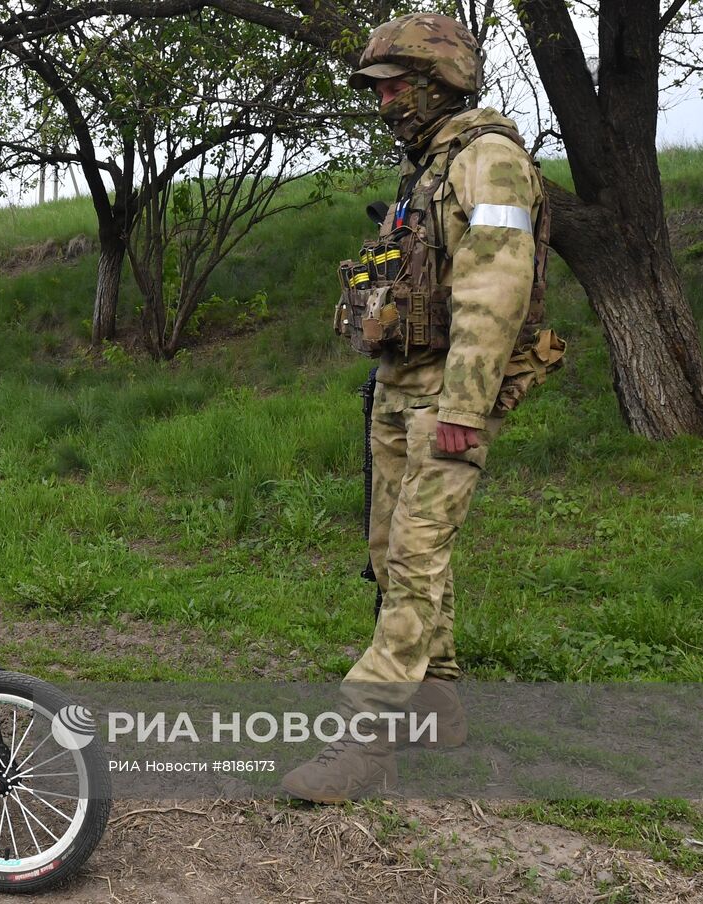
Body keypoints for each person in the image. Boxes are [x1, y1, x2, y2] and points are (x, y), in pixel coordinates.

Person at [283, 13, 562, 802]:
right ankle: (436, 703)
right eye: (379, 88)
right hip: (401, 387)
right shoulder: (429, 168)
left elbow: (495, 292)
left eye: (395, 86)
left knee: (412, 560)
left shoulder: (491, 162)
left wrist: (466, 408)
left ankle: (363, 743)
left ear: (439, 82)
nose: (384, 103)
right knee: (389, 551)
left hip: (448, 395)